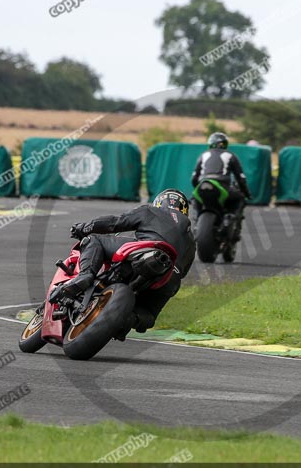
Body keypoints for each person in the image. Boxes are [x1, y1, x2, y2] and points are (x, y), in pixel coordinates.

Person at [53, 189, 196, 335]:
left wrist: (84, 228)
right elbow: (183, 272)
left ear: (159, 202)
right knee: (149, 314)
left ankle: (85, 275)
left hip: (145, 252)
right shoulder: (191, 239)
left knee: (94, 240)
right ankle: (127, 319)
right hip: (170, 277)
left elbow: (115, 223)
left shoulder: (151, 211)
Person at [191, 132, 252, 236]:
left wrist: (197, 187)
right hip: (222, 186)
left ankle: (197, 221)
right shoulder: (230, 155)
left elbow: (194, 178)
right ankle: (230, 217)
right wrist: (246, 193)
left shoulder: (203, 155)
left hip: (202, 185)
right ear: (225, 144)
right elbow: (241, 178)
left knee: (194, 198)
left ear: (210, 144)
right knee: (239, 198)